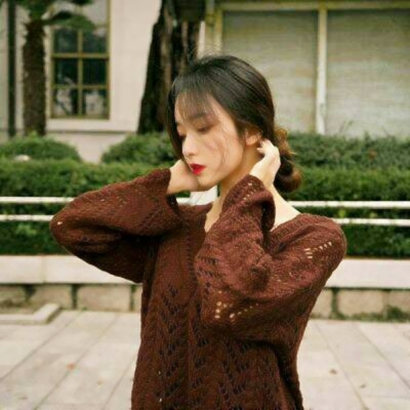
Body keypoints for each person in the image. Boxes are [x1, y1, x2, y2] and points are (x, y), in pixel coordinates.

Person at [49, 54, 348, 410]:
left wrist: (248, 194)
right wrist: (166, 182)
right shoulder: (176, 230)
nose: (188, 148)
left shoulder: (314, 239)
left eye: (203, 128)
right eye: (182, 134)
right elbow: (72, 225)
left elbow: (229, 304)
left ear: (252, 130)